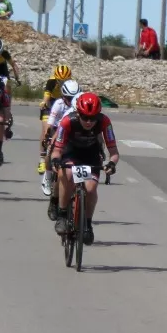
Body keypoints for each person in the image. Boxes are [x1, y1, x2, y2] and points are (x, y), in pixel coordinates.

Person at [50, 92, 120, 244]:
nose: (89, 122)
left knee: (90, 189)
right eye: (85, 117)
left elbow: (114, 152)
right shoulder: (67, 121)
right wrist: (55, 160)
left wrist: (111, 164)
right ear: (78, 113)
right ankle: (62, 215)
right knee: (67, 174)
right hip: (70, 152)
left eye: (92, 118)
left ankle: (87, 224)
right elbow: (57, 150)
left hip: (91, 155)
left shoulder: (104, 122)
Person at [40, 79, 79, 195]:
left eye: (73, 97)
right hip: (57, 128)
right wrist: (47, 136)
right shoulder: (58, 104)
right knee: (50, 151)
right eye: (68, 98)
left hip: (70, 129)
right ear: (63, 96)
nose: (71, 100)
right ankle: (47, 176)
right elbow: (50, 123)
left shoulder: (78, 103)